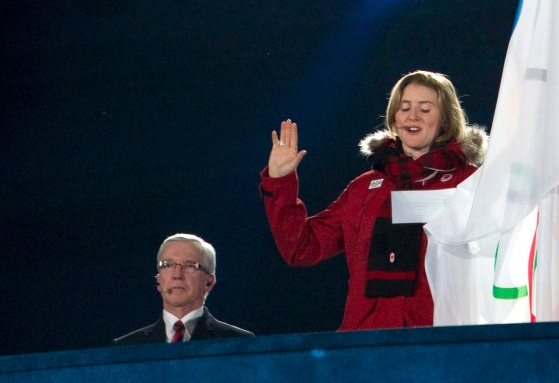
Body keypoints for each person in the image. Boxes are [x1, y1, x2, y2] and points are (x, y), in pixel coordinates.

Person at [260, 70, 487, 330]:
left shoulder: (469, 182)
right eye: (404, 108)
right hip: (366, 339)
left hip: (440, 335)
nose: (412, 116)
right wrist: (280, 182)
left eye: (425, 109)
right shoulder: (365, 188)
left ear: (445, 119)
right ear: (393, 117)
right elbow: (301, 248)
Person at [113, 233, 254, 344]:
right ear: (158, 281)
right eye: (168, 265)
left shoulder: (239, 343)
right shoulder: (126, 347)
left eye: (190, 266)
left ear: (209, 282)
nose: (177, 275)